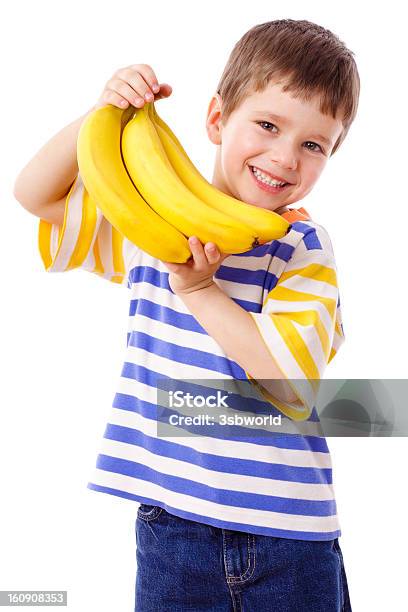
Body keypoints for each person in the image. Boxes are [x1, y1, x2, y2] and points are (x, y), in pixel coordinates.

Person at [14, 18, 359, 612]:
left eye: (312, 145)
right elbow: (36, 196)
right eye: (268, 125)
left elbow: (290, 381)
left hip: (287, 536)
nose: (283, 157)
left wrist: (201, 291)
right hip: (170, 525)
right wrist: (99, 116)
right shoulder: (154, 224)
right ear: (218, 119)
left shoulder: (302, 247)